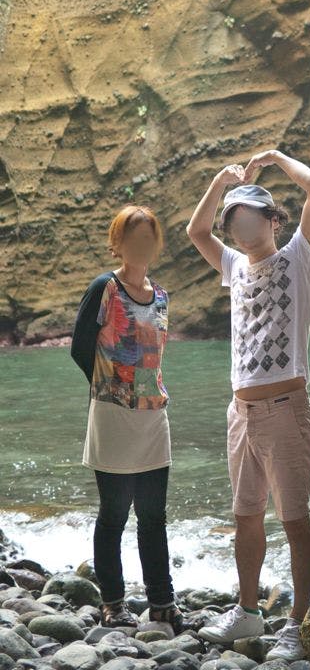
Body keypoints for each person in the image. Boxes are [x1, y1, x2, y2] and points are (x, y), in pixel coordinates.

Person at [186, 149, 310, 662]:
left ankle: (297, 624)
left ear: (273, 220)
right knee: (246, 516)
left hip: (286, 409)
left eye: (248, 217)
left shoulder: (298, 259)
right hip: (240, 414)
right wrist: (220, 181)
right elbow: (196, 232)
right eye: (234, 220)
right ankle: (248, 610)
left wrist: (273, 157)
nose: (239, 228)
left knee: (294, 520)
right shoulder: (233, 267)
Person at [71, 204, 185, 634]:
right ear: (117, 243)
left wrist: (141, 393)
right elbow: (80, 347)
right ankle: (113, 603)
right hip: (113, 416)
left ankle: (162, 603)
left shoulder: (162, 296)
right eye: (132, 238)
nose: (141, 245)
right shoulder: (105, 287)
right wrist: (110, 390)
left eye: (148, 238)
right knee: (114, 514)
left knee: (153, 516)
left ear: (156, 244)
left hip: (153, 417)